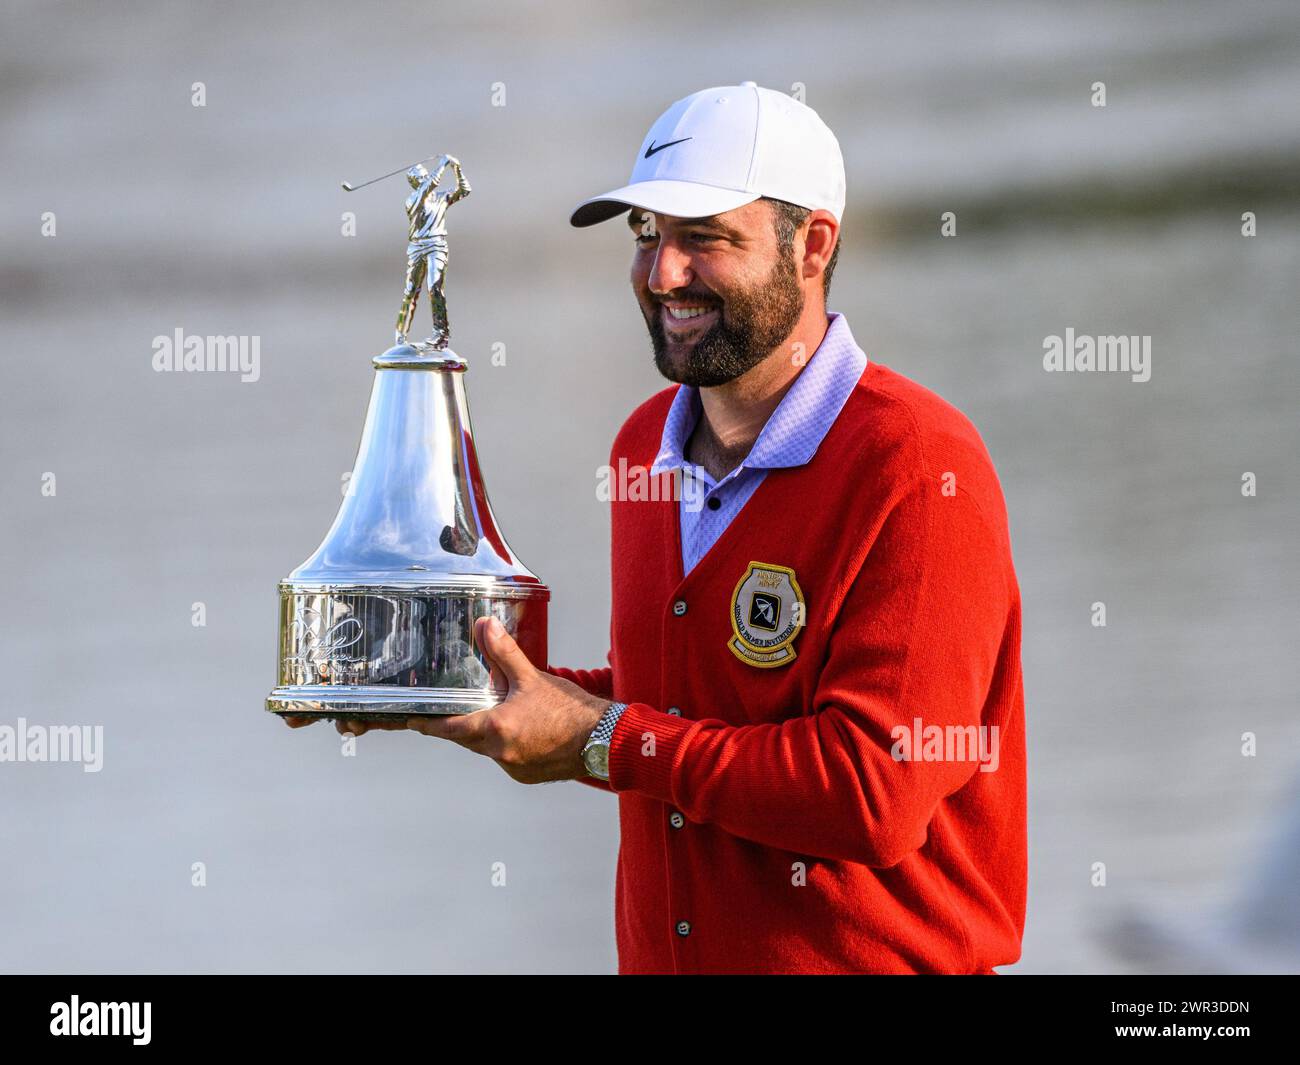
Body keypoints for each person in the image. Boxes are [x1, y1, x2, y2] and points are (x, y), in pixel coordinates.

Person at [292, 82, 1027, 975]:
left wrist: (603, 736)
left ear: (814, 246)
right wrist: (439, 685)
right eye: (646, 235)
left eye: (705, 238)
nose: (663, 273)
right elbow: (676, 701)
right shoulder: (644, 444)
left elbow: (871, 790)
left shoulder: (917, 465)